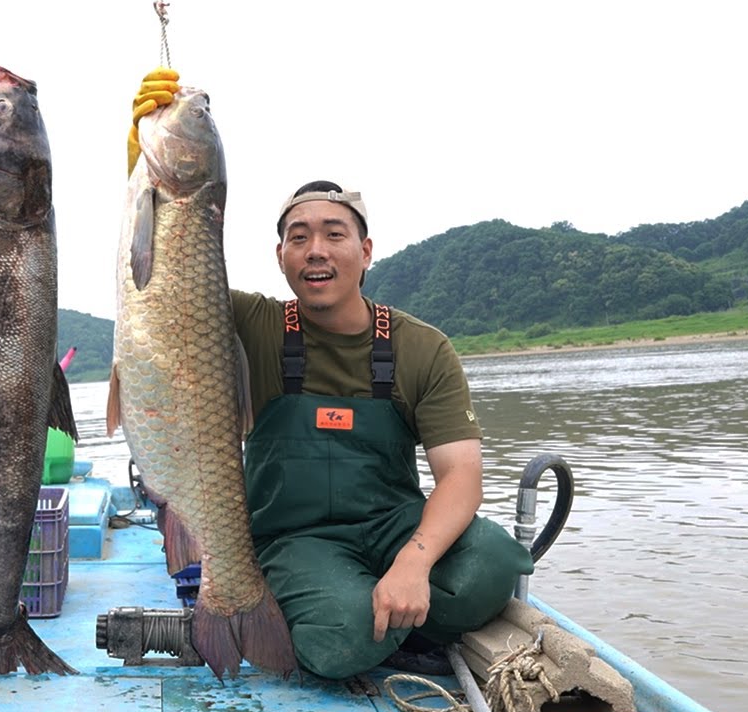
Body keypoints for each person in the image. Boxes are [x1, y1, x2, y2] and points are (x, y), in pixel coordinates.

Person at [126, 69, 535, 680]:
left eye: (334, 234)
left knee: (496, 562)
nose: (316, 249)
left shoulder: (422, 347)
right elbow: (164, 276)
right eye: (299, 237)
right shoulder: (254, 325)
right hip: (297, 542)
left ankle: (383, 611)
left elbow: (461, 477)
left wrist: (413, 565)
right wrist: (140, 163)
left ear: (365, 251)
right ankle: (353, 616)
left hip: (392, 526)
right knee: (338, 642)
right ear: (281, 257)